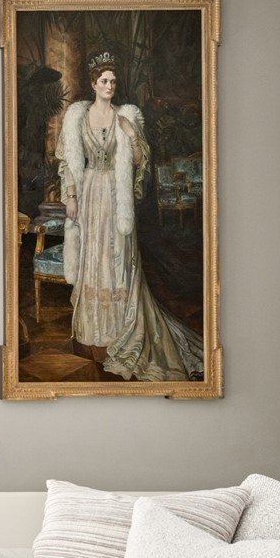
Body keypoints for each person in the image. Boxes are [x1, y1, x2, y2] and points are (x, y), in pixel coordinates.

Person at [58, 53, 203, 382]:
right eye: (104, 81)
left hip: (116, 195)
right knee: (94, 256)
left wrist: (132, 134)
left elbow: (139, 160)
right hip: (91, 191)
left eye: (113, 81)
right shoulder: (78, 117)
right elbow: (69, 160)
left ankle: (122, 325)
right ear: (93, 84)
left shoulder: (126, 117)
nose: (110, 86)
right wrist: (71, 197)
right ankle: (94, 327)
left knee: (119, 257)